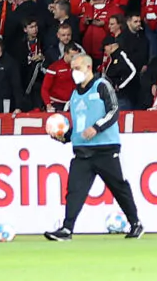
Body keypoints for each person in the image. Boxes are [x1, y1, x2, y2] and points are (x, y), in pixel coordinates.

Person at [47, 48, 144, 241]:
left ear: (88, 67)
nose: (74, 71)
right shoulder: (74, 95)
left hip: (105, 149)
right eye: (72, 67)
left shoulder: (101, 85)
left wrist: (97, 127)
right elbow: (78, 126)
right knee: (74, 190)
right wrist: (64, 137)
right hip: (82, 151)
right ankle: (67, 229)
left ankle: (135, 223)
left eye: (77, 67)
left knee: (118, 187)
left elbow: (114, 111)